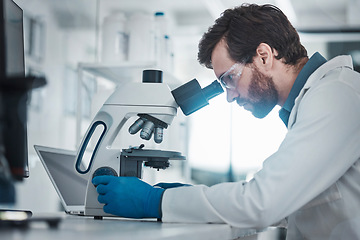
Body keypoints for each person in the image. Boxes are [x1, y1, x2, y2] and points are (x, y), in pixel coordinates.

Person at [92, 4, 360, 239]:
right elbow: (295, 206)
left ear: (264, 56)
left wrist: (157, 201)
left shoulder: (336, 94)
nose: (230, 96)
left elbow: (261, 203)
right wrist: (193, 197)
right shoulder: (313, 102)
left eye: (229, 79)